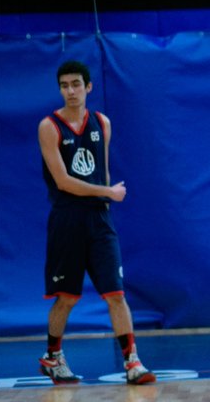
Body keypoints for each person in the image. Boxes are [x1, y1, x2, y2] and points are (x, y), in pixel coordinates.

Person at [37, 59, 154, 385]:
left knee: (116, 293)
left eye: (76, 84)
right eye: (64, 85)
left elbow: (99, 168)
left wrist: (104, 197)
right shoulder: (49, 126)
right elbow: (62, 181)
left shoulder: (102, 122)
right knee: (67, 297)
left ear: (88, 87)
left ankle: (132, 362)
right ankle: (52, 356)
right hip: (67, 221)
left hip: (99, 220)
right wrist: (108, 191)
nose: (70, 91)